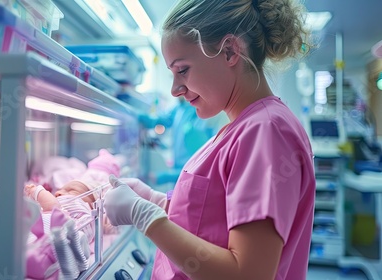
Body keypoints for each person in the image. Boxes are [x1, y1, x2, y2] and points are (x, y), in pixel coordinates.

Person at [103, 0, 316, 279]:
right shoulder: (241, 128)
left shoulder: (266, 132)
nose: (175, 89)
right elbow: (215, 221)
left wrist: (148, 219)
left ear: (229, 51)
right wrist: (158, 202)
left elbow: (248, 273)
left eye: (182, 70)